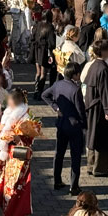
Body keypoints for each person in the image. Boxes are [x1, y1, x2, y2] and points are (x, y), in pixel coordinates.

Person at [0, 89, 41, 216]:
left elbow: (30, 137)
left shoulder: (26, 117)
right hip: (9, 154)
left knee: (17, 186)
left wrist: (18, 138)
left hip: (20, 156)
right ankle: (10, 215)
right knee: (7, 184)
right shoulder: (9, 114)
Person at [42, 60, 87, 195]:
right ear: (75, 75)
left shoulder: (58, 84)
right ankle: (74, 186)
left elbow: (45, 95)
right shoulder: (75, 90)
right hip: (74, 126)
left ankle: (57, 180)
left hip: (62, 124)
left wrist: (56, 108)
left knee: (59, 153)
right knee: (75, 156)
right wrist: (84, 125)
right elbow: (80, 110)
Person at [82, 40, 108, 177]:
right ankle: (100, 168)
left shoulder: (93, 65)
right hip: (100, 108)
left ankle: (91, 165)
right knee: (102, 138)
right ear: (103, 52)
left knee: (92, 135)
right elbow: (105, 91)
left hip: (92, 106)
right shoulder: (103, 68)